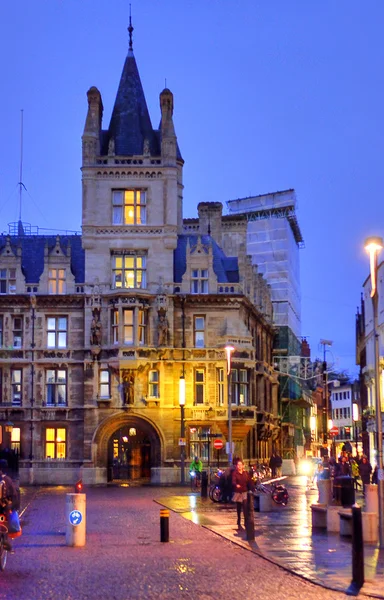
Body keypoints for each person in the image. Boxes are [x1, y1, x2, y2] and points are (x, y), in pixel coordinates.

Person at [0, 459, 19, 552]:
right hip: (4, 508)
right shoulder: (7, 479)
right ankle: (6, 541)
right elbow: (14, 494)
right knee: (7, 522)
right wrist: (14, 507)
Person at [232, 459, 253, 530]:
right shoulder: (235, 473)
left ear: (243, 466)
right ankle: (239, 518)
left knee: (245, 506)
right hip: (238, 492)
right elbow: (233, 481)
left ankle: (246, 521)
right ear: (236, 466)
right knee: (239, 506)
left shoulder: (246, 473)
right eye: (238, 465)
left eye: (240, 465)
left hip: (244, 491)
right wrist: (236, 485)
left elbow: (249, 481)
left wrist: (252, 488)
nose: (239, 466)